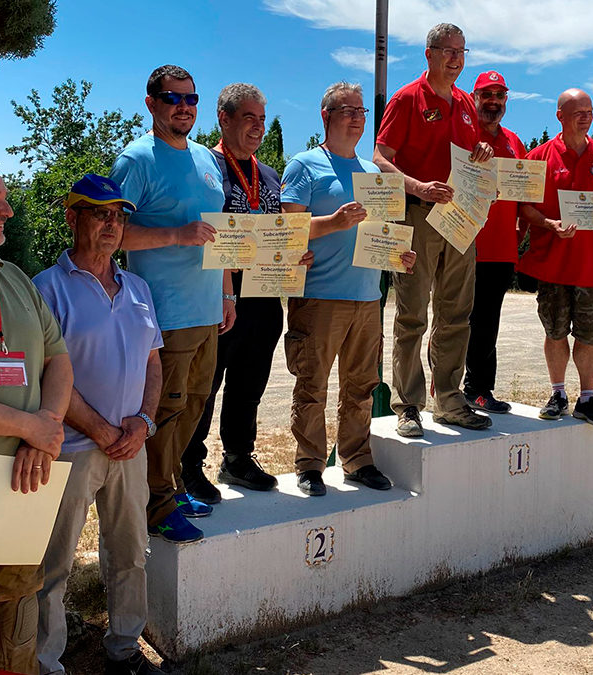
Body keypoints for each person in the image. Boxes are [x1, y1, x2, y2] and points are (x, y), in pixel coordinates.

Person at [33, 175, 163, 675]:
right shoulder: (45, 288)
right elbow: (49, 375)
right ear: (72, 218)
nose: (112, 223)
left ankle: (125, 648)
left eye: (119, 215)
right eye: (99, 212)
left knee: (131, 552)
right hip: (70, 448)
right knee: (54, 562)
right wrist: (104, 431)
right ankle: (45, 660)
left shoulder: (137, 287)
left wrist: (144, 422)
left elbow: (154, 361)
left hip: (131, 447)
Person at [110, 64, 232, 543]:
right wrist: (175, 235)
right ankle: (156, 506)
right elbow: (112, 232)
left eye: (190, 99)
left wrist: (226, 293)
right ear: (151, 104)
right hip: (164, 314)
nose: (183, 107)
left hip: (207, 310)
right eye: (171, 98)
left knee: (195, 405)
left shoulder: (206, 158)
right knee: (163, 410)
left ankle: (172, 487)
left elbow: (221, 233)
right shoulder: (136, 159)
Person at [281, 81, 416, 496]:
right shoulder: (304, 166)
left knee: (360, 387)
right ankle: (309, 465)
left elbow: (385, 233)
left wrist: (399, 257)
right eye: (348, 111)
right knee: (312, 386)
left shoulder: (374, 173)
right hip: (319, 297)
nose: (358, 118)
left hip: (367, 298)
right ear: (326, 116)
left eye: (361, 112)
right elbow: (286, 232)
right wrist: (333, 223)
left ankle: (357, 460)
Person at [182, 84, 312, 503]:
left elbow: (277, 232)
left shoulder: (269, 174)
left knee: (250, 383)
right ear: (224, 119)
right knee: (206, 384)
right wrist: (226, 287)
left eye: (262, 118)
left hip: (265, 294)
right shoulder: (205, 166)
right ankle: (188, 466)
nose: (258, 127)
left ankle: (237, 458)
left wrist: (293, 256)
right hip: (221, 293)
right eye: (248, 118)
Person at [373, 23, 494, 437]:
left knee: (457, 312)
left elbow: (472, 155)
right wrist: (419, 185)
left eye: (462, 51)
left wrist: (483, 151)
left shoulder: (464, 102)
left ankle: (449, 398)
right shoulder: (407, 98)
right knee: (411, 314)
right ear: (429, 54)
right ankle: (407, 404)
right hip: (416, 215)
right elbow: (380, 158)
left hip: (460, 219)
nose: (456, 59)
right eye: (448, 51)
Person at [0, 160, 73, 675]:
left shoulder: (14, 277)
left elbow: (57, 358)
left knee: (13, 638)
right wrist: (30, 428)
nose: (9, 210)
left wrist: (45, 429)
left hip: (18, 497)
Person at [519, 88, 593, 425]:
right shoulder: (537, 158)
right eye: (577, 111)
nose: (585, 117)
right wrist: (548, 223)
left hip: (592, 266)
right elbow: (525, 207)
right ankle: (558, 393)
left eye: (589, 111)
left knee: (589, 335)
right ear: (559, 116)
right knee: (554, 332)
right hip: (552, 263)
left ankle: (587, 398)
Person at [464, 70, 527, 414]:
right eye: (486, 94)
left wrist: (521, 235)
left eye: (499, 96)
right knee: (457, 320)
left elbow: (526, 195)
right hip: (463, 243)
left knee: (488, 323)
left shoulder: (515, 142)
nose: (493, 102)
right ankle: (449, 387)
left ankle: (479, 389)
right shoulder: (463, 134)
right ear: (473, 98)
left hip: (501, 250)